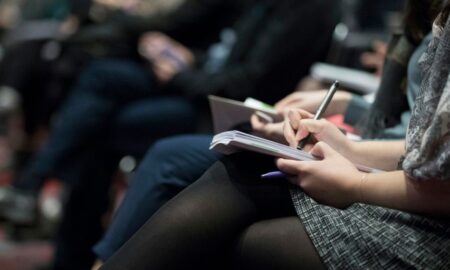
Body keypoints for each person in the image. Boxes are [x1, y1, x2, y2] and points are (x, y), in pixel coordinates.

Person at [99, 1, 450, 269]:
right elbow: (425, 148)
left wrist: (354, 180)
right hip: (397, 172)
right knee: (234, 169)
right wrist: (344, 146)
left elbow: (437, 178)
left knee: (220, 224)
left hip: (431, 230)